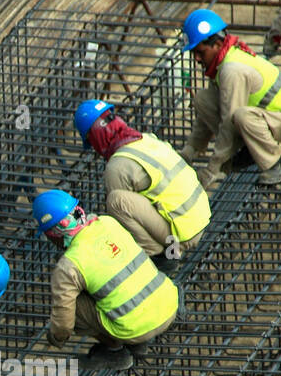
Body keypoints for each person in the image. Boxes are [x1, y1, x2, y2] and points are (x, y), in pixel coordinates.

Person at [32, 189, 178, 370]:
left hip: (136, 328)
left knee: (72, 306)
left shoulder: (69, 266)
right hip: (169, 304)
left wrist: (56, 338)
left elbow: (63, 324)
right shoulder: (108, 223)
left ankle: (115, 351)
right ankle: (138, 342)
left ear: (54, 233)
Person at [178, 9, 281, 187]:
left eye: (200, 52)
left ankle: (277, 161)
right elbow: (208, 115)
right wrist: (190, 150)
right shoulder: (222, 62)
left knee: (241, 116)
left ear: (217, 45)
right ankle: (249, 149)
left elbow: (228, 123)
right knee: (202, 98)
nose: (196, 58)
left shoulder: (231, 70)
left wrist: (213, 168)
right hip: (268, 122)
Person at [74, 100, 210, 262]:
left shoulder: (117, 167)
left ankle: (160, 257)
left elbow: (122, 227)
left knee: (117, 202)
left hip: (182, 234)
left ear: (95, 136)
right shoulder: (147, 139)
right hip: (201, 215)